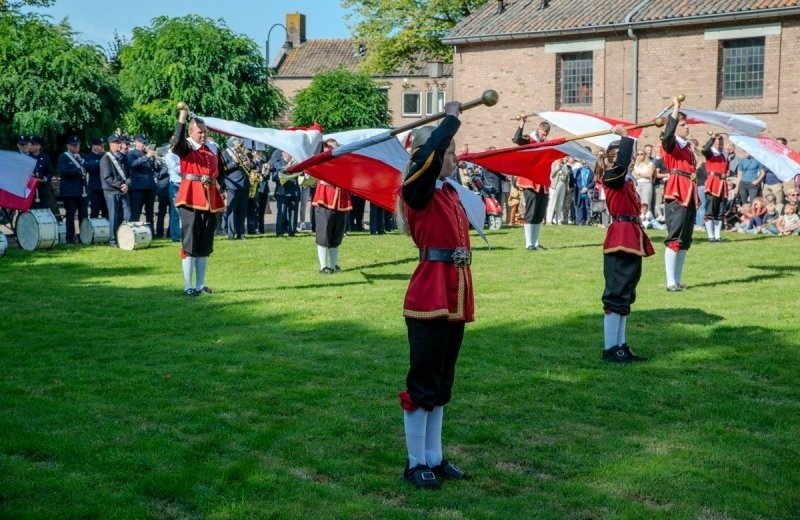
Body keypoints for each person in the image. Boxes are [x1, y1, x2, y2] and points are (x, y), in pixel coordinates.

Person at [396, 101, 475, 489]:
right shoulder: (418, 190)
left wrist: (449, 128)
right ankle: (414, 463)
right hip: (430, 293)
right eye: (449, 151)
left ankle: (434, 457)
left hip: (455, 291)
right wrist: (449, 121)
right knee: (423, 383)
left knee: (442, 383)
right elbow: (425, 159)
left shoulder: (449, 192)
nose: (454, 157)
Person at [598, 126, 654, 362]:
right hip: (621, 236)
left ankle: (620, 344)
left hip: (631, 234)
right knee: (616, 294)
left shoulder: (626, 179)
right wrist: (625, 138)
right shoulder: (612, 177)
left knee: (626, 293)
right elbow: (620, 167)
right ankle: (611, 348)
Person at [171, 109, 226, 296]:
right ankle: (188, 286)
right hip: (191, 196)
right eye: (199, 132)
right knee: (190, 243)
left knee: (204, 244)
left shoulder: (213, 148)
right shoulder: (186, 146)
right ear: (191, 132)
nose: (203, 135)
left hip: (210, 197)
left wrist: (223, 189)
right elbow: (176, 141)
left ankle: (200, 285)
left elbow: (221, 171)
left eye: (205, 132)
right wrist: (182, 116)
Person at [660, 97, 699, 292]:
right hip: (677, 192)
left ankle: (677, 279)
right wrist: (675, 109)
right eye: (683, 125)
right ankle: (669, 281)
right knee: (674, 237)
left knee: (685, 241)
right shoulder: (671, 144)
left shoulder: (687, 147)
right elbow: (667, 135)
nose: (687, 128)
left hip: (689, 192)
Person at [312, 139, 352, 274]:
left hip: (340, 200)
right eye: (328, 148)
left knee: (336, 234)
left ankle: (334, 265)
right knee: (324, 234)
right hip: (325, 199)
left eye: (333, 148)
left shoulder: (343, 161)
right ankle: (324, 266)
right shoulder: (320, 160)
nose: (331, 150)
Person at [513, 118, 550, 249]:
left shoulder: (546, 143)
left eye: (546, 134)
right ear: (538, 129)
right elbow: (516, 139)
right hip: (530, 182)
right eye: (543, 133)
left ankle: (535, 242)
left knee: (539, 214)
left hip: (543, 183)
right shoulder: (529, 140)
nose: (544, 136)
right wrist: (522, 123)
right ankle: (529, 243)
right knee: (530, 213)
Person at [100, 133, 131, 248]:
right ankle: (113, 240)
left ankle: (124, 236)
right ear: (111, 144)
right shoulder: (106, 158)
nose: (120, 145)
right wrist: (121, 185)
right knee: (114, 216)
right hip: (111, 191)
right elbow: (107, 178)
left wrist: (127, 184)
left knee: (127, 214)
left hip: (123, 190)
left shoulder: (124, 158)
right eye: (117, 143)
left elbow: (129, 174)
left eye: (120, 142)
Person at [57, 135, 89, 243]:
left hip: (82, 191)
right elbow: (64, 172)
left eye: (78, 145)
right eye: (74, 145)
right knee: (70, 215)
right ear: (68, 146)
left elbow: (89, 167)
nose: (76, 147)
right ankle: (69, 237)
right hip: (70, 191)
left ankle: (83, 236)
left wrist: (82, 161)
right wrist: (79, 170)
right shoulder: (63, 157)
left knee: (83, 215)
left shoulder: (82, 156)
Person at [128, 134, 161, 235]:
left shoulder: (148, 154)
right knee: (136, 211)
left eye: (145, 143)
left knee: (150, 212)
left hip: (150, 187)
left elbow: (157, 169)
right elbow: (133, 164)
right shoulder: (132, 153)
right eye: (142, 142)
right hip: (138, 187)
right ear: (136, 142)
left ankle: (150, 232)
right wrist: (146, 157)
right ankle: (133, 232)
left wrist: (155, 160)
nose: (144, 144)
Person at [220, 137, 252, 240]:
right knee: (232, 210)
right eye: (236, 142)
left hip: (244, 183)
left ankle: (241, 233)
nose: (238, 144)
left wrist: (249, 164)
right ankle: (231, 234)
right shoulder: (225, 153)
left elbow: (252, 164)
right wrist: (235, 162)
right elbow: (224, 168)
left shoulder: (243, 152)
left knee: (242, 210)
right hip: (232, 184)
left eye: (239, 142)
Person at [701, 133, 729, 242]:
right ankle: (710, 235)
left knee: (720, 211)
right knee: (710, 210)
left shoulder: (724, 155)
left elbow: (727, 168)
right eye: (718, 142)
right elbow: (704, 149)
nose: (720, 144)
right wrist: (712, 137)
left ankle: (717, 235)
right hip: (712, 183)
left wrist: (726, 174)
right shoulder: (710, 153)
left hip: (722, 184)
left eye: (721, 142)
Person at [270, 150, 300, 237]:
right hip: (282, 191)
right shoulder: (278, 163)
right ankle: (279, 231)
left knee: (294, 212)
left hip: (294, 191)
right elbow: (274, 177)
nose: (290, 155)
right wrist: (286, 168)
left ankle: (292, 231)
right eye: (288, 153)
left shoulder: (296, 163)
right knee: (281, 212)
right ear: (283, 153)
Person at [83, 137, 107, 219]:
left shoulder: (105, 156)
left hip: (105, 188)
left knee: (106, 212)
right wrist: (102, 162)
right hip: (94, 189)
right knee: (95, 212)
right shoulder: (89, 157)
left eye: (102, 145)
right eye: (100, 145)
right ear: (94, 146)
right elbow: (91, 168)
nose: (102, 147)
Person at [163, 142, 182, 242]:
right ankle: (175, 236)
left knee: (185, 211)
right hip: (175, 184)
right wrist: (188, 165)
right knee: (176, 212)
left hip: (184, 184)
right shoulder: (169, 155)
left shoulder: (181, 154)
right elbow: (177, 169)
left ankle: (183, 234)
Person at [29, 136, 54, 211]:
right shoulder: (27, 157)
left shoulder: (45, 157)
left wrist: (45, 179)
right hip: (30, 189)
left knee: (43, 209)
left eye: (33, 144)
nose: (30, 146)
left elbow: (50, 172)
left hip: (42, 189)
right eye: (30, 144)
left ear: (39, 146)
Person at [546, 157, 571, 225]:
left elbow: (566, 177)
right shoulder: (554, 163)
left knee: (560, 203)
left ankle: (558, 220)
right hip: (555, 184)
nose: (566, 159)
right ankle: (549, 220)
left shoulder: (565, 165)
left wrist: (567, 187)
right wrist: (558, 168)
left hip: (562, 183)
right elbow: (552, 174)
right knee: (552, 202)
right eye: (565, 157)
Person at [153, 147, 171, 239]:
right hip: (163, 190)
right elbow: (157, 174)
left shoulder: (172, 159)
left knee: (173, 212)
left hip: (171, 189)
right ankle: (159, 232)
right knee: (161, 212)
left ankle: (170, 232)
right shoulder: (159, 161)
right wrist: (166, 169)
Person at [632, 149, 655, 219]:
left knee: (645, 202)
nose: (639, 156)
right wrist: (643, 175)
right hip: (637, 184)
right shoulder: (635, 165)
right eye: (638, 154)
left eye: (641, 154)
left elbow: (649, 175)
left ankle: (644, 218)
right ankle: (639, 217)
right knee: (637, 201)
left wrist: (639, 174)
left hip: (647, 184)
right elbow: (634, 176)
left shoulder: (650, 164)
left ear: (645, 155)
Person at [573, 158, 595, 225]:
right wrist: (582, 188)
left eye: (585, 160)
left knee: (587, 205)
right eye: (582, 160)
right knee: (580, 205)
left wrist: (587, 188)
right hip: (580, 191)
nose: (584, 161)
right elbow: (576, 180)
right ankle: (580, 221)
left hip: (587, 191)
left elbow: (593, 181)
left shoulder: (591, 171)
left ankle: (588, 221)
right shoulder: (578, 170)